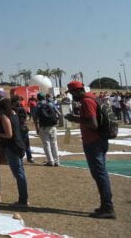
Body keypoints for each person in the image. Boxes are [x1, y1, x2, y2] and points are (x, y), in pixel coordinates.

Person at [65, 81, 115, 219]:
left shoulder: (87, 101)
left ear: (77, 91)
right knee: (101, 173)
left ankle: (108, 207)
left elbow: (93, 124)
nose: (72, 96)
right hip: (99, 141)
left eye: (72, 93)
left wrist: (75, 119)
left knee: (100, 174)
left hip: (94, 142)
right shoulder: (93, 98)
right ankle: (105, 205)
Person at [0, 97, 28, 207]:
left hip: (12, 147)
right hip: (19, 145)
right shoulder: (14, 114)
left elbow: (9, 134)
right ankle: (23, 198)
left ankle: (23, 199)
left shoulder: (5, 117)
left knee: (18, 174)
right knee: (21, 173)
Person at [32, 93, 60, 167]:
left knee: (46, 144)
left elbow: (35, 118)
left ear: (37, 98)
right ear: (44, 97)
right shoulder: (51, 104)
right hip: (53, 126)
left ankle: (50, 161)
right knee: (54, 144)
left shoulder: (37, 106)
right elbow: (58, 113)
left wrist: (37, 128)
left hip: (43, 127)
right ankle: (57, 161)